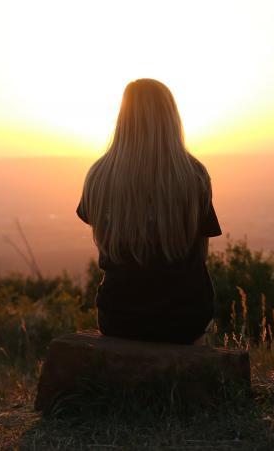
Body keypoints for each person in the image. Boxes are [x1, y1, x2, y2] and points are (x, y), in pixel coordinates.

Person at [76, 78, 222, 345]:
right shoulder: (194, 176)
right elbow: (201, 255)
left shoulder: (98, 176)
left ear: (123, 118)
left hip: (119, 317)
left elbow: (104, 242)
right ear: (171, 118)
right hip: (185, 318)